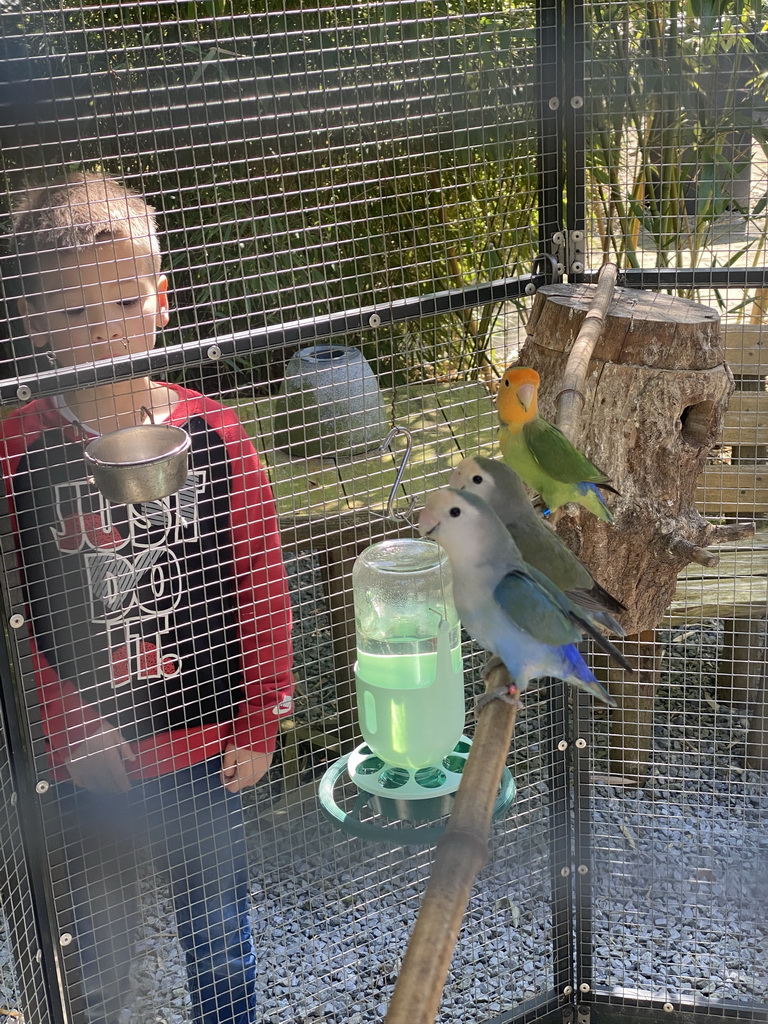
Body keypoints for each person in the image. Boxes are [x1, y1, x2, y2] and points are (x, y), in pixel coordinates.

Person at [0, 172, 294, 1024]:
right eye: (75, 317)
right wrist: (63, 725)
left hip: (202, 748)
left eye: (124, 305)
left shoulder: (216, 435)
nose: (104, 337)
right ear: (32, 326)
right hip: (86, 764)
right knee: (90, 947)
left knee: (221, 939)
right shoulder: (17, 448)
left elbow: (261, 580)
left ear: (160, 300)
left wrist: (259, 720)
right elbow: (13, 613)